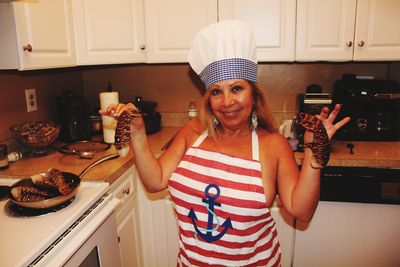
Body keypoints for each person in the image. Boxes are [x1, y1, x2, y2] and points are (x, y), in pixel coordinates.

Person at [101, 21, 350, 267]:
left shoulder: (273, 145)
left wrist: (316, 152)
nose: (227, 102)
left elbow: (301, 210)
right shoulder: (192, 133)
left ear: (253, 93)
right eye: (217, 92)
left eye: (237, 88)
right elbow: (155, 182)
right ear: (208, 99)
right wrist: (138, 133)